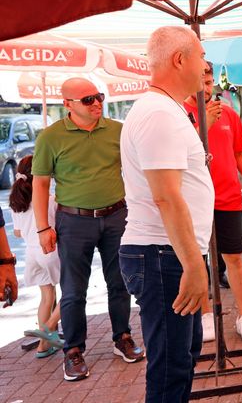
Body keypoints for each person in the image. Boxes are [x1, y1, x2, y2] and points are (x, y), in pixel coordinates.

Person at [120, 26, 213, 402]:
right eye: (202, 56)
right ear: (180, 59)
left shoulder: (165, 109)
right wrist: (193, 264)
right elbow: (167, 197)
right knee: (171, 366)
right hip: (162, 255)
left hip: (166, 253)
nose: (206, 65)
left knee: (183, 356)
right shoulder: (158, 113)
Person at [32, 76, 144, 382]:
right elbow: (40, 184)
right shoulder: (50, 137)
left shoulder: (118, 130)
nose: (97, 104)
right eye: (88, 100)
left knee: (120, 282)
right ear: (67, 104)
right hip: (73, 220)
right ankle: (73, 350)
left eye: (99, 97)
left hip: (116, 215)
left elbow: (139, 167)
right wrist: (43, 228)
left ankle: (122, 337)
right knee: (73, 291)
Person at [183, 64, 242, 345]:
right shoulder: (180, 114)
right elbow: (181, 151)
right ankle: (206, 314)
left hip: (228, 196)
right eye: (201, 82)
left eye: (209, 82)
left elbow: (240, 152)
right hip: (194, 200)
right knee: (199, 259)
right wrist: (205, 124)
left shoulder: (228, 112)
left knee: (234, 257)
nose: (207, 88)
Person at [10, 156, 62, 358]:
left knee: (47, 298)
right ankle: (48, 329)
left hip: (31, 254)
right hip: (50, 251)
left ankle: (43, 346)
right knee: (72, 292)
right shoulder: (49, 200)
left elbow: (17, 233)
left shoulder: (17, 203)